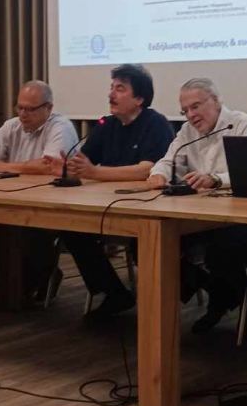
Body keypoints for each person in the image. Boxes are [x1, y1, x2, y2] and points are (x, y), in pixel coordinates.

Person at [51, 64, 174, 320]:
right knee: (71, 228)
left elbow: (148, 169)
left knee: (143, 245)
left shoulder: (156, 124)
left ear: (139, 98)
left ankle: (169, 304)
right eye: (111, 88)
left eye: (120, 89)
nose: (111, 94)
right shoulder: (107, 125)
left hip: (146, 207)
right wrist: (67, 168)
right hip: (106, 204)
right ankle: (113, 292)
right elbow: (85, 164)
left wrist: (95, 172)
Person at [146, 77, 247, 333]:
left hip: (241, 217)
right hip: (200, 218)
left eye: (195, 106)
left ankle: (236, 300)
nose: (191, 115)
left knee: (220, 250)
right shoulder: (187, 131)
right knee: (148, 243)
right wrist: (158, 175)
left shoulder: (241, 124)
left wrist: (216, 179)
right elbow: (168, 160)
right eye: (185, 111)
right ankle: (223, 293)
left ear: (216, 101)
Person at [0, 80, 78, 303]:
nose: (23, 114)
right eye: (19, 107)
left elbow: (50, 166)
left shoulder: (61, 127)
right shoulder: (12, 126)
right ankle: (29, 275)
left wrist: (7, 166)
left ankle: (30, 276)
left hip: (48, 206)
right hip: (12, 202)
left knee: (25, 233)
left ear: (48, 108)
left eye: (30, 109)